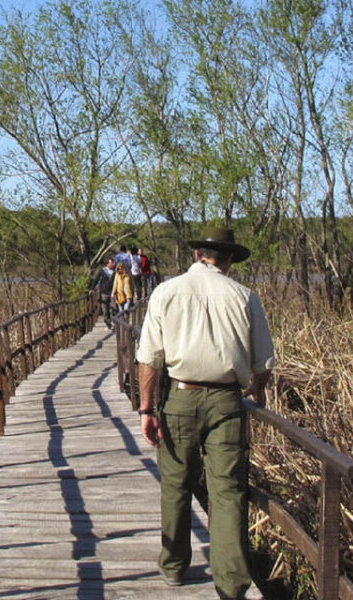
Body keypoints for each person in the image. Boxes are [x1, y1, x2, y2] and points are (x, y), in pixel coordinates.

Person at [135, 226, 275, 599]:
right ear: (229, 260)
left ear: (198, 254)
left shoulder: (166, 292)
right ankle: (231, 583)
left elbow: (149, 358)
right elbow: (263, 361)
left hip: (180, 397)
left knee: (176, 484)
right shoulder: (244, 297)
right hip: (228, 402)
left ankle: (174, 565)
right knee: (227, 491)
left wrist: (147, 409)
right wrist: (257, 389)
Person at [91, 257, 116, 328]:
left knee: (114, 308)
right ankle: (108, 323)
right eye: (111, 263)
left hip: (113, 292)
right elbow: (96, 279)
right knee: (105, 309)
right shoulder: (102, 271)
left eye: (113, 263)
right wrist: (92, 288)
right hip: (104, 292)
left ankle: (113, 322)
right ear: (107, 264)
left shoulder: (115, 271)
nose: (113, 264)